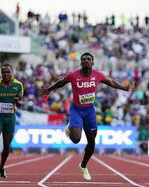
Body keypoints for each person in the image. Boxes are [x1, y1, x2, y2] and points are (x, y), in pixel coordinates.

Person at [39, 52, 134, 181]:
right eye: (83, 59)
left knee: (92, 142)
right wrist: (49, 89)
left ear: (93, 62)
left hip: (89, 111)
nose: (86, 60)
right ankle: (70, 128)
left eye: (89, 59)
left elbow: (110, 81)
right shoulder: (73, 75)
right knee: (76, 139)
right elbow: (61, 82)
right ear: (81, 62)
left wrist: (124, 87)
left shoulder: (97, 75)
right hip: (76, 110)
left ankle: (83, 165)